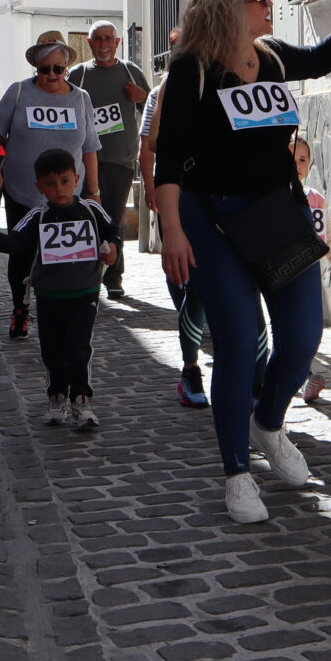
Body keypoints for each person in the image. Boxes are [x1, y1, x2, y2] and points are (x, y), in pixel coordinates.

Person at [154, 0, 331, 523]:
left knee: (304, 337)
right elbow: (167, 161)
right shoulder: (193, 71)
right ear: (228, 5)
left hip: (277, 215)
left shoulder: (275, 56)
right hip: (212, 221)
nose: (267, 3)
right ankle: (237, 472)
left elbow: (322, 59)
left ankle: (269, 423)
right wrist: (173, 230)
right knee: (236, 345)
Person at [0, 150, 120, 430]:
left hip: (84, 293)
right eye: (51, 184)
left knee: (78, 347)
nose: (59, 189)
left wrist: (112, 248)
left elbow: (113, 230)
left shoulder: (90, 209)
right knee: (52, 350)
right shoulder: (38, 216)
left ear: (76, 179)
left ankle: (82, 399)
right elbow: (16, 243)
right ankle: (56, 395)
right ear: (39, 186)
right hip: (50, 296)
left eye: (64, 181)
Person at [0, 39, 102, 340]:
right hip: (23, 189)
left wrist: (93, 190)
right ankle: (20, 308)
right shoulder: (19, 91)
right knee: (22, 251)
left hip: (67, 195)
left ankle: (63, 311)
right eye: (44, 69)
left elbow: (90, 147)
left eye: (58, 69)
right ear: (35, 68)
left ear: (66, 69)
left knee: (64, 253)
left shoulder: (81, 98)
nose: (51, 75)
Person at [137, 48, 208, 408]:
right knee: (193, 287)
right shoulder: (167, 87)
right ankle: (191, 367)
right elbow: (151, 144)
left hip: (236, 202)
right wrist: (153, 189)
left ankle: (256, 392)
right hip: (188, 195)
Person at [68, 20, 150, 301]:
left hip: (120, 160)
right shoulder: (78, 76)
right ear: (89, 44)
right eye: (97, 40)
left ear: (117, 42)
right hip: (85, 161)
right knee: (86, 218)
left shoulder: (130, 71)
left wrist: (143, 95)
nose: (103, 44)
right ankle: (87, 275)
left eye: (108, 39)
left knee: (113, 220)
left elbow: (151, 107)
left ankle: (114, 277)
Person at [290, 136, 331, 404]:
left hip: (309, 273)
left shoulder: (315, 200)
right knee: (288, 329)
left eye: (303, 160)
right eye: (291, 160)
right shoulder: (273, 198)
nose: (297, 165)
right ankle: (294, 376)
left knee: (313, 328)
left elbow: (327, 237)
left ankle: (304, 376)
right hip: (282, 276)